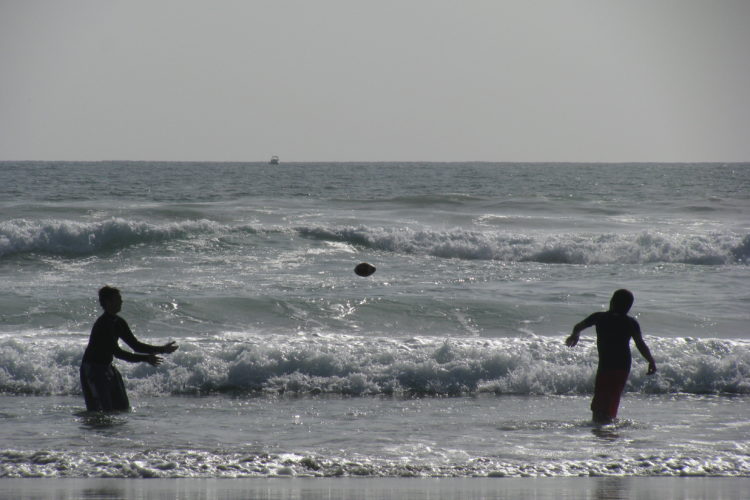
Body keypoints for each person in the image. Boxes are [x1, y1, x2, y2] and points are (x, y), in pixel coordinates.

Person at [565, 289, 656, 424]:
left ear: (612, 302)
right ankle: (607, 429)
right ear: (629, 306)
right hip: (623, 366)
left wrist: (575, 335)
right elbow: (640, 344)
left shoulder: (600, 317)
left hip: (606, 366)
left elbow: (578, 326)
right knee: (612, 398)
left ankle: (601, 429)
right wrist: (651, 361)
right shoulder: (630, 322)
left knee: (601, 400)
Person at [80, 286, 178, 411]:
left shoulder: (118, 322)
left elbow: (135, 345)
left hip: (107, 367)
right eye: (118, 299)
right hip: (92, 369)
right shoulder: (103, 324)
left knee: (122, 407)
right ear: (108, 302)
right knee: (102, 411)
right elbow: (118, 353)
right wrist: (146, 358)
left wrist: (163, 349)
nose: (121, 302)